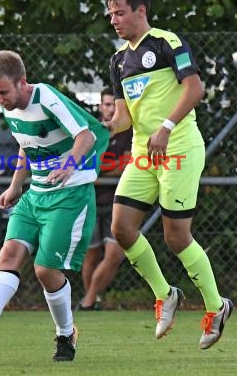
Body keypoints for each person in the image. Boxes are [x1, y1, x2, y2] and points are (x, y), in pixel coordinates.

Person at [0, 50, 109, 362]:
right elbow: (25, 145)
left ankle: (66, 333)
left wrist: (69, 165)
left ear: (23, 83)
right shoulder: (9, 108)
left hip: (69, 196)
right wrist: (17, 185)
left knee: (45, 270)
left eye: (3, 92)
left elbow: (85, 137)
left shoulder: (46, 97)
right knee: (8, 254)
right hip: (36, 195)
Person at [105, 0, 233, 350]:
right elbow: (124, 119)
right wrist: (102, 127)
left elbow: (195, 90)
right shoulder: (118, 60)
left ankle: (216, 306)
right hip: (144, 153)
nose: (114, 19)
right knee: (122, 228)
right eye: (110, 13)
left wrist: (165, 126)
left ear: (140, 11)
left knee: (176, 237)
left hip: (178, 146)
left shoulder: (166, 43)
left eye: (120, 12)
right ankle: (166, 294)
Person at [78, 87, 131, 311]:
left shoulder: (128, 131)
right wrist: (98, 171)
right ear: (101, 106)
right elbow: (84, 165)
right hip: (89, 200)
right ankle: (91, 302)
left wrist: (98, 172)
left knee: (114, 254)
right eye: (107, 104)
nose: (111, 109)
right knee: (91, 255)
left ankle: (88, 299)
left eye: (114, 105)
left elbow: (126, 165)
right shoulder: (91, 131)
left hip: (117, 202)